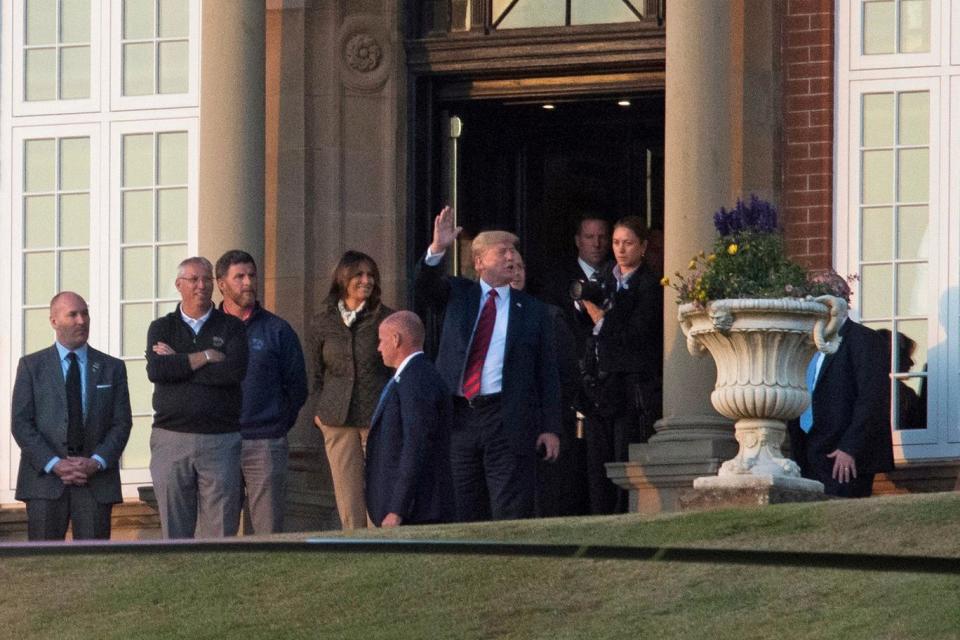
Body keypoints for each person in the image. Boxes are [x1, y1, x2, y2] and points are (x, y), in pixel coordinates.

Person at [416, 205, 561, 522]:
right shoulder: (458, 294)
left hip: (506, 418)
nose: (511, 257)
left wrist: (550, 427)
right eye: (502, 251)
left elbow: (547, 375)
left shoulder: (533, 311)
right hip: (460, 418)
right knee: (463, 505)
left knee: (509, 508)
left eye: (513, 251)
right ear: (479, 262)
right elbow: (424, 289)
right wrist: (437, 249)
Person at [12, 292, 132, 540]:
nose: (81, 321)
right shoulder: (31, 366)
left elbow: (121, 423)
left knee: (94, 566)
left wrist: (96, 461)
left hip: (96, 482)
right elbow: (21, 423)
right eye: (73, 314)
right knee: (44, 566)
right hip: (44, 483)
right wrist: (54, 464)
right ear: (54, 321)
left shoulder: (112, 367)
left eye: (85, 313)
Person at [147, 257, 248, 538]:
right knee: (175, 533)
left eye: (206, 280)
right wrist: (205, 357)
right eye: (193, 279)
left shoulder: (232, 328)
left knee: (221, 533)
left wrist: (179, 363)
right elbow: (157, 370)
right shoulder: (161, 328)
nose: (201, 286)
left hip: (220, 440)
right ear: (179, 285)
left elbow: (232, 372)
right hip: (171, 439)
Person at [215, 250, 308, 534]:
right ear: (222, 284)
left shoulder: (277, 330)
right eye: (239, 277)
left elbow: (298, 387)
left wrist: (276, 423)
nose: (248, 283)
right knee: (218, 530)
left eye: (252, 276)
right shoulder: (207, 329)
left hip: (265, 443)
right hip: (217, 444)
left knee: (267, 534)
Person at [579, 216, 663, 514]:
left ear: (642, 247)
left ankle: (621, 511)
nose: (620, 249)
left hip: (631, 385)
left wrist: (602, 320)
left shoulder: (650, 285)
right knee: (597, 456)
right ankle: (599, 512)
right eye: (616, 243)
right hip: (601, 382)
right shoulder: (603, 278)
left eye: (628, 243)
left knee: (624, 452)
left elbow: (638, 333)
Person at [311, 250, 393, 530]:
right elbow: (316, 373)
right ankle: (355, 546)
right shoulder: (323, 321)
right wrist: (320, 413)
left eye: (371, 275)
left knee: (380, 488)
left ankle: (380, 544)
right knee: (347, 494)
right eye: (358, 274)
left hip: (377, 417)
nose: (366, 280)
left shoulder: (387, 319)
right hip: (336, 419)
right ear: (342, 278)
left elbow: (397, 371)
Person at [789, 310, 894, 497]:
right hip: (806, 451)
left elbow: (872, 399)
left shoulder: (865, 340)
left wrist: (850, 448)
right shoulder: (804, 342)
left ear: (839, 302)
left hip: (843, 457)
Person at [365, 311, 454, 527]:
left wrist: (397, 509)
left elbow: (415, 445)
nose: (379, 348)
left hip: (416, 512)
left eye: (381, 340)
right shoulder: (410, 376)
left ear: (396, 339)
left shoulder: (417, 379)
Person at [511, 252, 581, 517]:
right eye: (510, 267)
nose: (516, 272)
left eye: (520, 266)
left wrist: (550, 421)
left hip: (541, 429)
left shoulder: (548, 316)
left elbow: (567, 375)